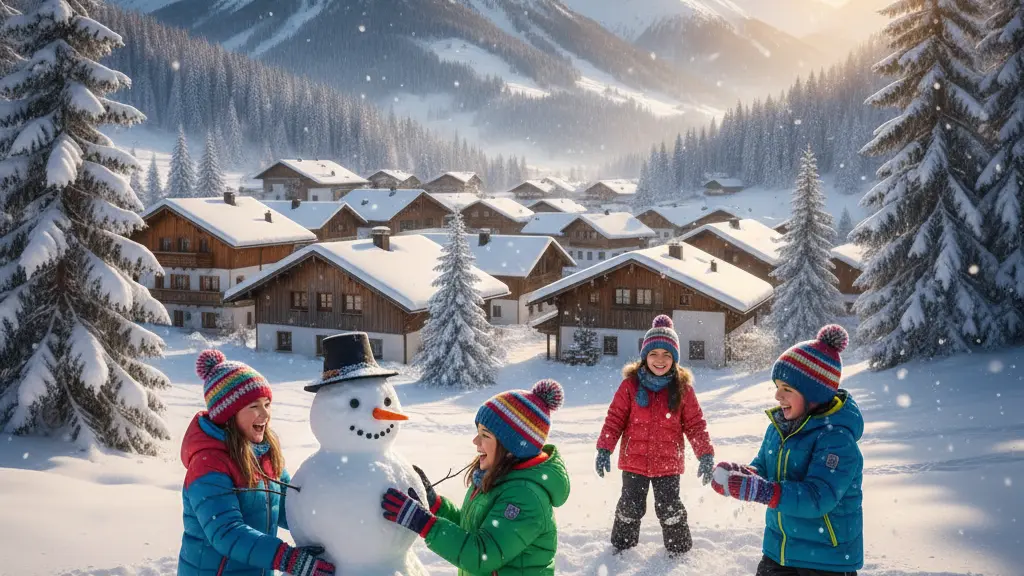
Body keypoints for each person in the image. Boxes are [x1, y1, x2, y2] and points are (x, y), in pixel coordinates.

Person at [710, 325, 864, 576]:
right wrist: (742, 475)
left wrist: (762, 491)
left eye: (787, 389)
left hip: (826, 561)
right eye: (777, 386)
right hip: (778, 551)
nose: (777, 395)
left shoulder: (837, 439)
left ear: (815, 394)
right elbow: (762, 467)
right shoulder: (779, 428)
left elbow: (817, 498)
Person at [380, 380, 569, 576]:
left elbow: (481, 555)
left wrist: (424, 523)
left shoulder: (525, 497)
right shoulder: (496, 478)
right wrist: (435, 505)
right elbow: (471, 529)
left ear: (512, 447)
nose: (475, 442)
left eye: (485, 435)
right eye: (477, 433)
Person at [178, 349, 334, 576]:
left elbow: (289, 509)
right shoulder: (208, 463)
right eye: (254, 406)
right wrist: (289, 559)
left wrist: (331, 524)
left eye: (267, 404)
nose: (265, 414)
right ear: (228, 414)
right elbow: (227, 532)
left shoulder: (264, 453)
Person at [595, 315, 715, 557]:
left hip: (668, 463)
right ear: (644, 356)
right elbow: (615, 418)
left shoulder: (682, 389)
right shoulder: (630, 385)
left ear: (675, 359)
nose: (660, 360)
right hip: (634, 462)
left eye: (667, 355)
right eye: (654, 354)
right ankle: (622, 549)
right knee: (629, 506)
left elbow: (695, 425)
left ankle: (679, 552)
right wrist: (604, 448)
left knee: (670, 508)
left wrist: (705, 453)